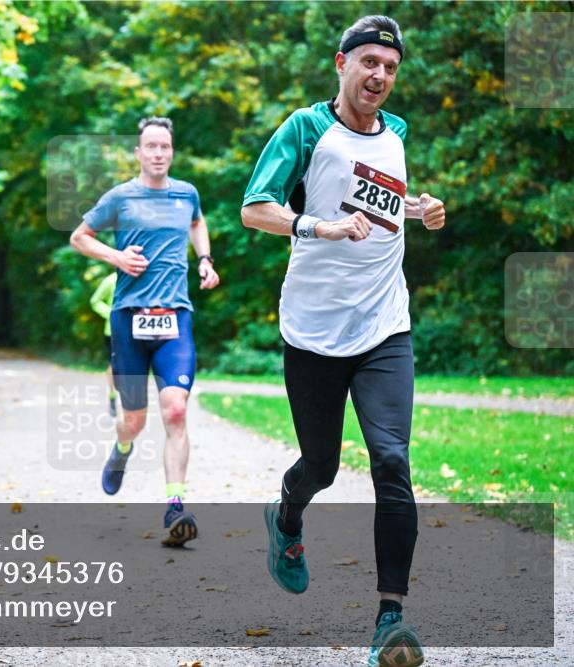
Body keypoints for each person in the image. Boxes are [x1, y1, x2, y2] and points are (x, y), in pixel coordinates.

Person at [241, 15, 445, 667]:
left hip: (385, 325)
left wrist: (420, 208)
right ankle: (287, 518)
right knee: (322, 465)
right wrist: (317, 226)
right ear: (341, 63)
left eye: (390, 67)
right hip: (314, 329)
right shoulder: (305, 129)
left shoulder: (400, 134)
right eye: (369, 63)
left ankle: (390, 620)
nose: (380, 76)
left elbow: (385, 194)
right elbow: (254, 207)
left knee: (392, 461)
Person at [70, 116, 220, 547]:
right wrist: (117, 258)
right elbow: (81, 237)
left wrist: (205, 259)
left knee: (174, 409)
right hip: (128, 319)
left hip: (176, 317)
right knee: (133, 422)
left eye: (165, 147)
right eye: (150, 146)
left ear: (172, 152)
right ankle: (122, 450)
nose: (158, 153)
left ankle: (176, 506)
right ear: (138, 153)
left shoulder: (186, 194)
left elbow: (196, 222)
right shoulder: (120, 197)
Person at [89, 271, 119, 417]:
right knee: (114, 365)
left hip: (136, 330)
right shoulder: (111, 279)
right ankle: (113, 397)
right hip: (113, 331)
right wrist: (111, 313)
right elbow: (95, 300)